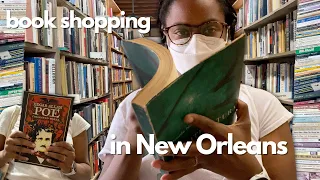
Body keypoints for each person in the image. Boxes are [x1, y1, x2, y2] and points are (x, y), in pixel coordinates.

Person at [98, 0, 297, 180]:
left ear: (227, 32)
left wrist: (247, 172)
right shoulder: (134, 106)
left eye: (210, 29)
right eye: (181, 31)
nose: (196, 43)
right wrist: (133, 140)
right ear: (166, 36)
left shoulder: (263, 104)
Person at [0, 105, 92, 180]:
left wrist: (71, 167)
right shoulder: (11, 114)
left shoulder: (74, 120)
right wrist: (4, 155)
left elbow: (87, 174)